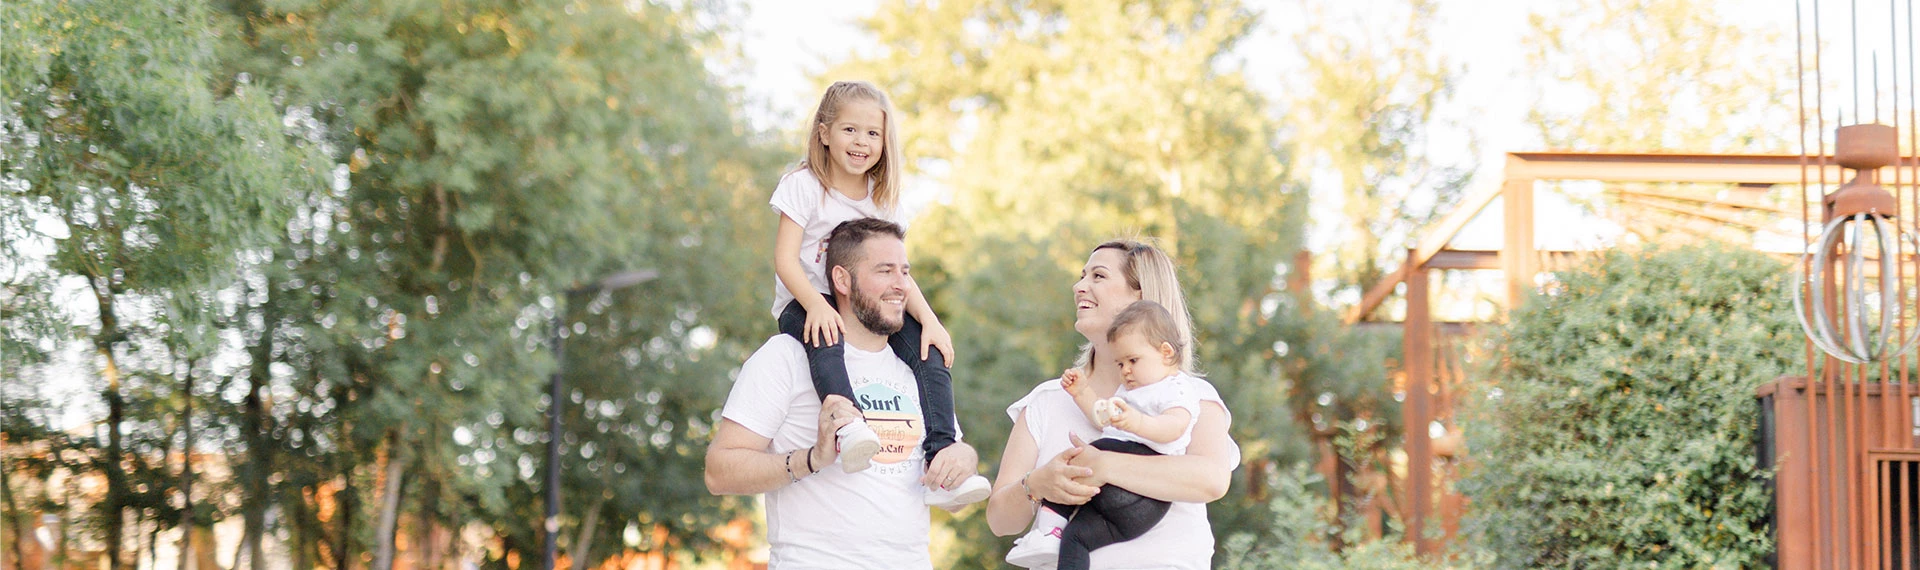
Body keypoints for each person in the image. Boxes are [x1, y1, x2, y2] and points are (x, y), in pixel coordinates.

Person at [705, 218, 985, 569]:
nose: (901, 285)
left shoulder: (918, 368)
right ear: (842, 280)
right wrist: (811, 459)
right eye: (885, 271)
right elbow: (718, 472)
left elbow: (953, 499)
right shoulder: (786, 356)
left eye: (905, 272)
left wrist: (963, 458)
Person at [765, 81, 987, 505]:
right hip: (807, 300)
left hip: (866, 304)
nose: (861, 142)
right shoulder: (804, 185)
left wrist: (931, 322)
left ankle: (940, 457)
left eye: (873, 134)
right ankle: (849, 426)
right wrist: (814, 305)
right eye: (850, 130)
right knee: (827, 339)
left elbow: (898, 273)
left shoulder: (882, 199)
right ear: (824, 133)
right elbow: (785, 259)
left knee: (929, 352)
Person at [985, 240, 1241, 570]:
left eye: (1098, 276)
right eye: (1082, 276)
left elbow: (1211, 480)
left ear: (1141, 296)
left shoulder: (1191, 395)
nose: (1079, 286)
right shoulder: (1048, 400)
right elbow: (999, 521)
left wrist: (1104, 465)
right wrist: (1036, 484)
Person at [1023, 300, 1204, 570]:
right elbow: (1102, 416)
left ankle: (1049, 527)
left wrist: (1136, 422)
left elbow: (1174, 427)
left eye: (1133, 360)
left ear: (1165, 352)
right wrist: (1082, 393)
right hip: (1125, 510)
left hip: (1146, 489)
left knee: (1087, 455)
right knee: (1076, 538)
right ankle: (1054, 536)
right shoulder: (1130, 392)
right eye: (1120, 364)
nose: (1126, 370)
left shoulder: (1176, 388)